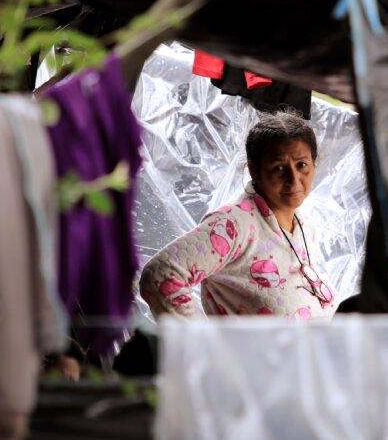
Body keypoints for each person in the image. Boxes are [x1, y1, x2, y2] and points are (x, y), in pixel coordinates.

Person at [140, 111, 336, 320]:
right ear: (254, 171)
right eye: (279, 168)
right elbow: (160, 275)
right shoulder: (234, 225)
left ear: (314, 165)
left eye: (302, 165)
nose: (294, 180)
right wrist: (202, 346)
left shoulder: (303, 227)